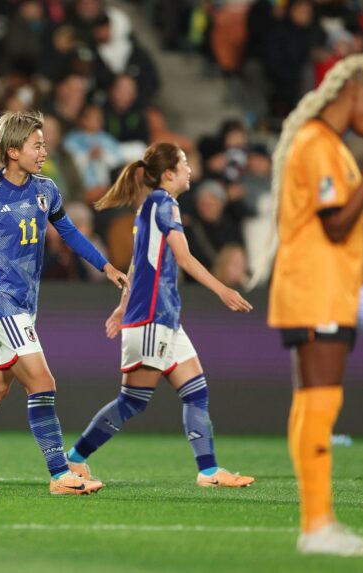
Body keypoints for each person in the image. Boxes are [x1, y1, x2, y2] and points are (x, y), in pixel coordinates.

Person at [263, 54, 363, 556]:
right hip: (314, 288)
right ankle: (317, 524)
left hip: (324, 288)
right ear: (356, 92)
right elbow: (336, 224)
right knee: (319, 403)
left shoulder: (327, 145)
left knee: (316, 402)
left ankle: (318, 523)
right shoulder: (320, 145)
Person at [0, 110, 129, 495]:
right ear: (12, 151)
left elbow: (69, 231)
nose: (44, 151)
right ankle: (61, 474)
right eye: (36, 145)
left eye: (44, 144)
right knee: (42, 382)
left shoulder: (46, 189)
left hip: (26, 305)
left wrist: (106, 266)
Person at [63, 142, 255, 489]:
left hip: (163, 317)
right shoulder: (165, 203)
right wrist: (223, 289)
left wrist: (122, 307)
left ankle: (209, 472)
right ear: (169, 174)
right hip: (152, 317)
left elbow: (139, 261)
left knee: (196, 391)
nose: (190, 170)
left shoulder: (151, 206)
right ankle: (74, 460)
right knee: (132, 402)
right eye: (184, 164)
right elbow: (183, 258)